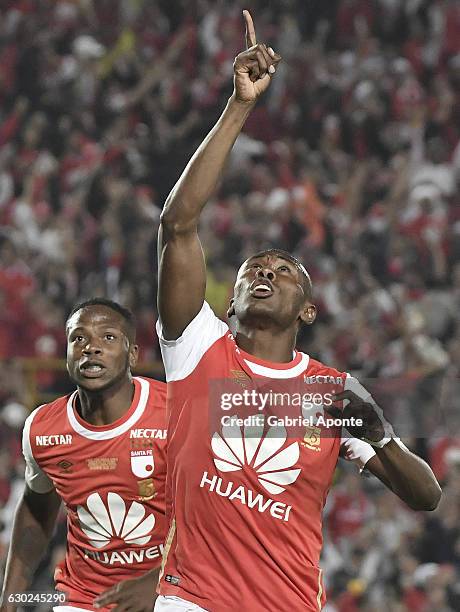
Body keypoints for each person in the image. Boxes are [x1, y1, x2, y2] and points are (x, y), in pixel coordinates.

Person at [154, 11, 441, 612]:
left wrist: (378, 438)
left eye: (283, 272)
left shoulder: (334, 394)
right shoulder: (196, 347)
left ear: (308, 310)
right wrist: (240, 106)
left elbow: (427, 497)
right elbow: (177, 227)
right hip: (190, 600)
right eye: (252, 270)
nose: (264, 273)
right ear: (226, 299)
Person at [1, 298, 167, 612]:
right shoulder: (41, 428)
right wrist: (10, 601)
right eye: (79, 338)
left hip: (173, 591)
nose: (91, 347)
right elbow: (37, 511)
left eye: (108, 337)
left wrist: (159, 582)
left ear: (133, 353)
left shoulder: (174, 413)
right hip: (83, 598)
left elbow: (215, 517)